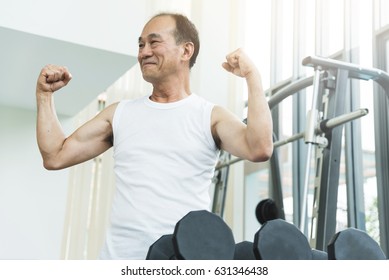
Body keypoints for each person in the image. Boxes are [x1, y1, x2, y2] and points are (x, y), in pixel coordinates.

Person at [35, 12, 273, 259]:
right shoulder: (120, 114)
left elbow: (259, 148)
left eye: (154, 42)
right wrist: (44, 96)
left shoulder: (210, 116)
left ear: (185, 51)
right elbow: (55, 155)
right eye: (140, 44)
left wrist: (252, 77)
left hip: (181, 262)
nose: (143, 52)